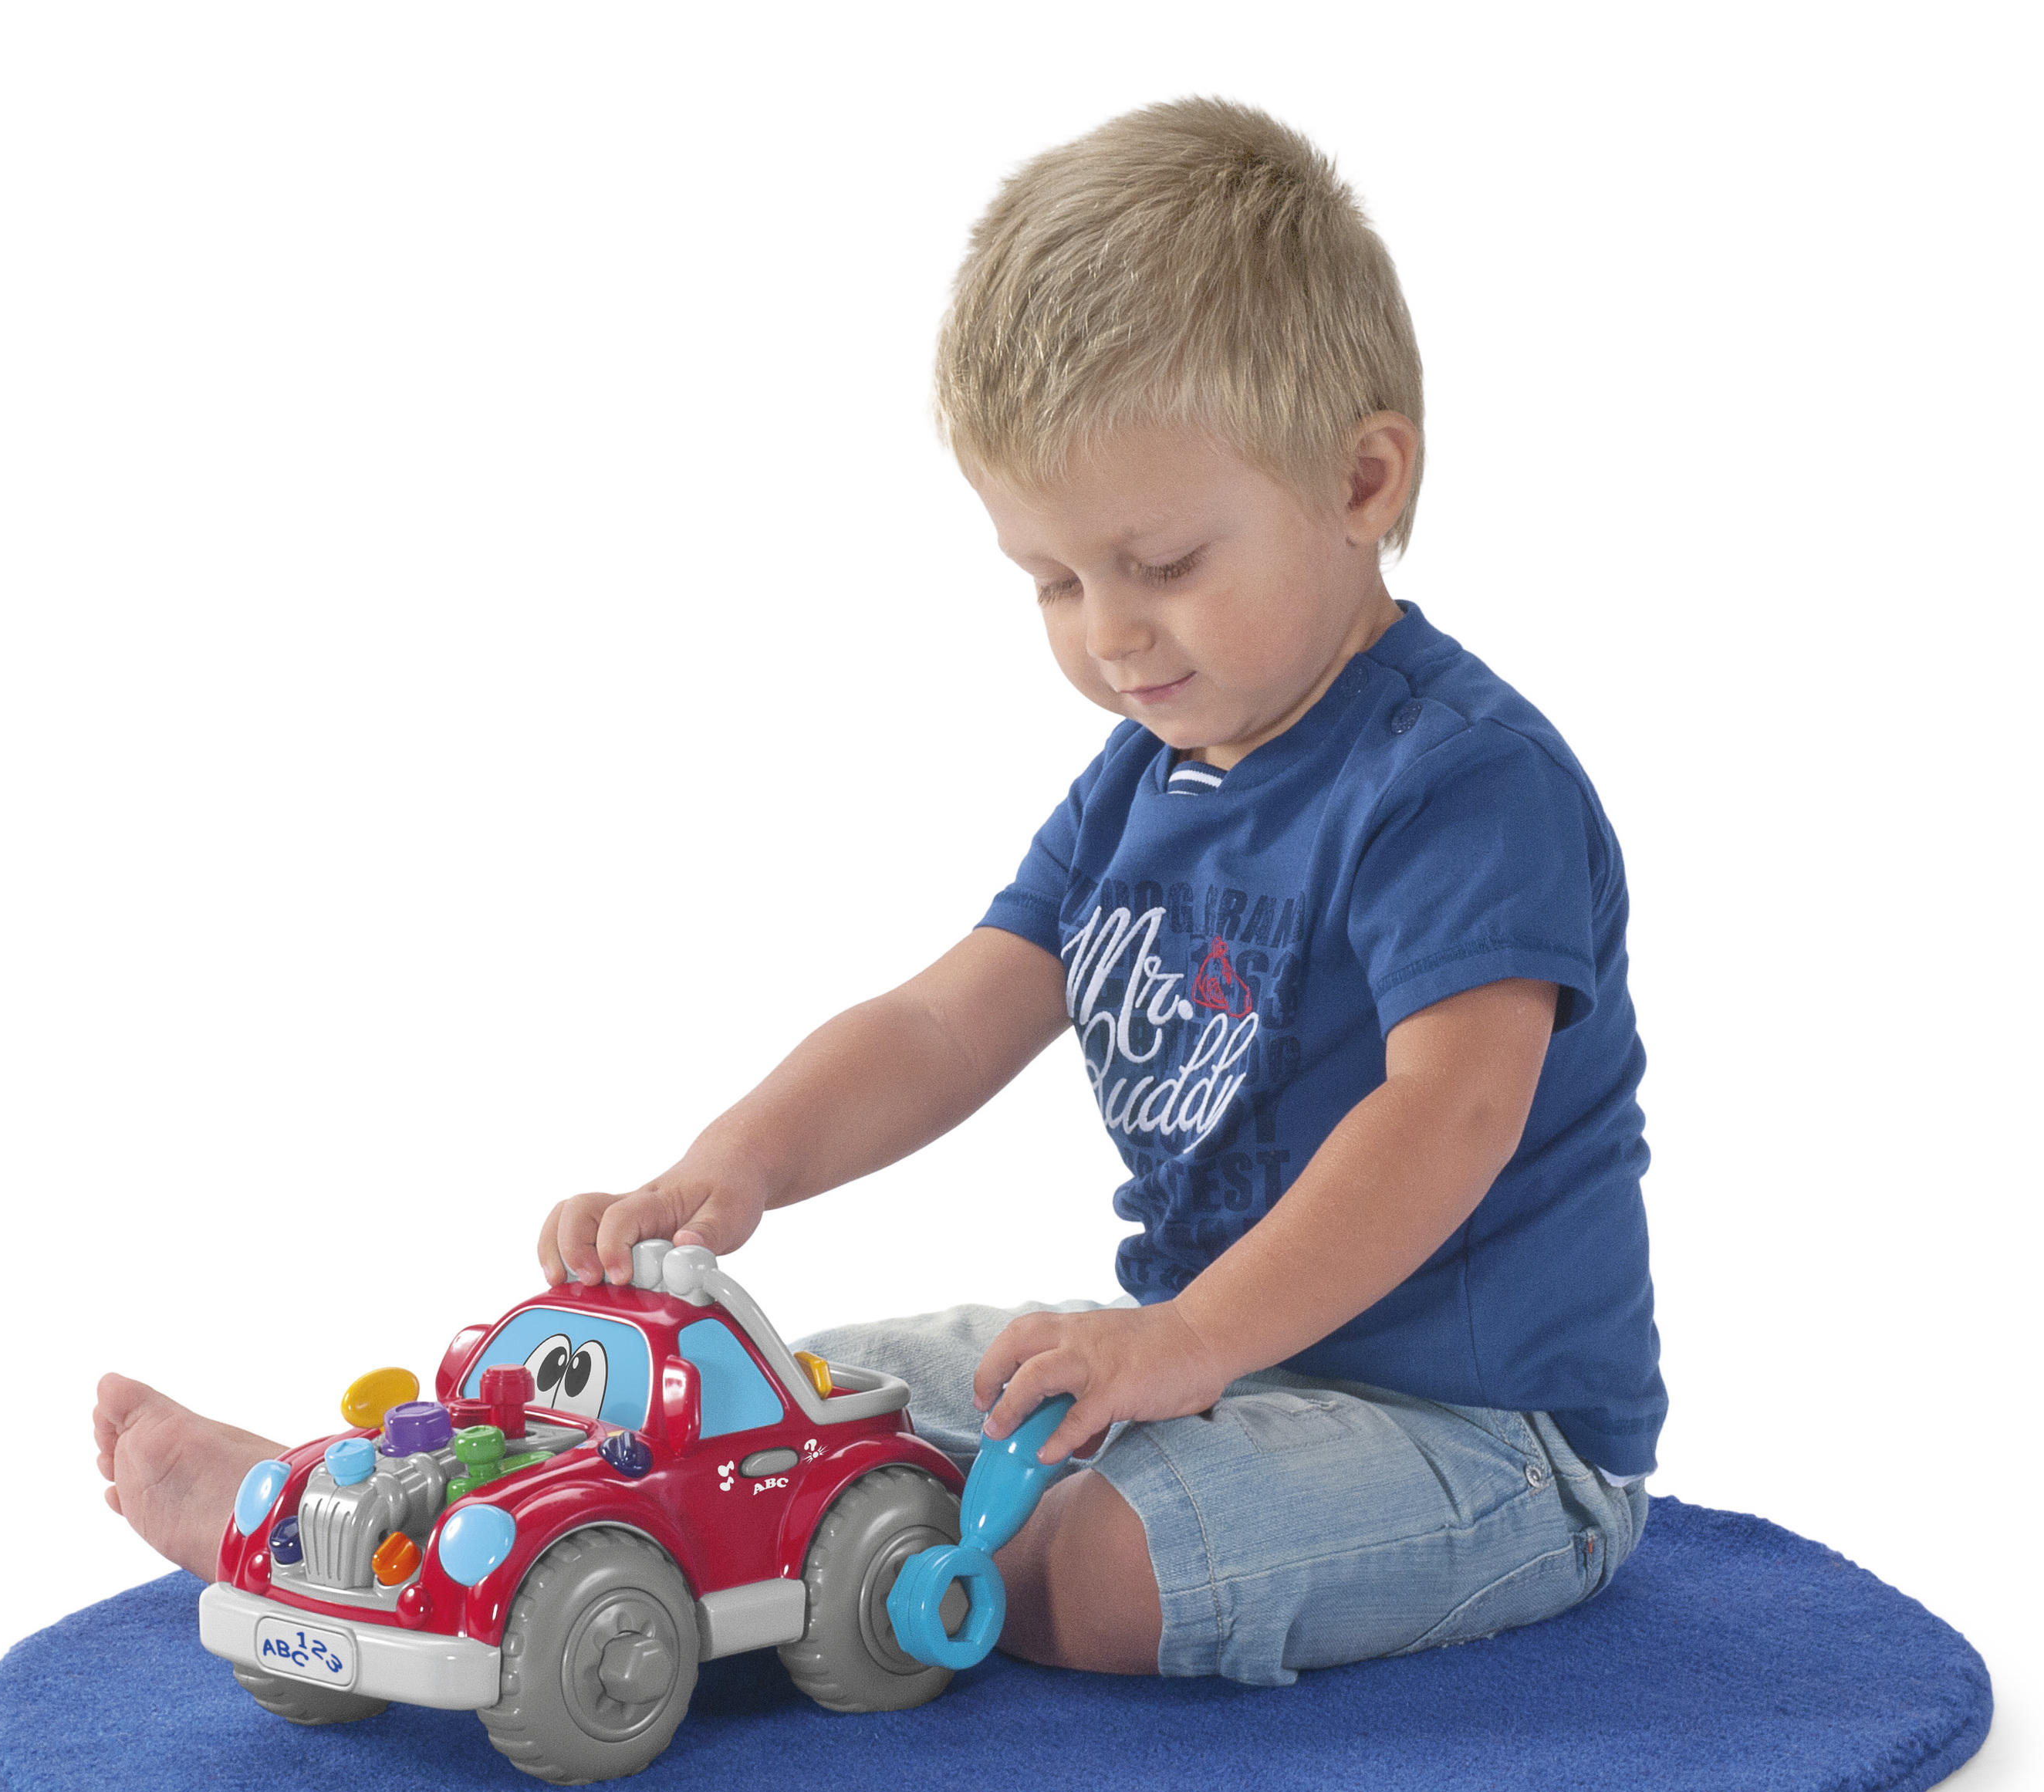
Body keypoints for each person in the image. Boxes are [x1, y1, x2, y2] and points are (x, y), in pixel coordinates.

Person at [96, 97, 1660, 1690]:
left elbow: (1448, 1118)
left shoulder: (1460, 785)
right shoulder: (1146, 781)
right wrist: (739, 1161)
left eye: (1166, 564)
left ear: (1363, 479)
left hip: (1481, 1437)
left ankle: (834, 1577)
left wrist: (1184, 1343)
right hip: (1211, 1374)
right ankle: (368, 1527)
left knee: (1095, 1575)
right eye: (1055, 581)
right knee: (793, 1406)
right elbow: (942, 1021)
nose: (1111, 634)